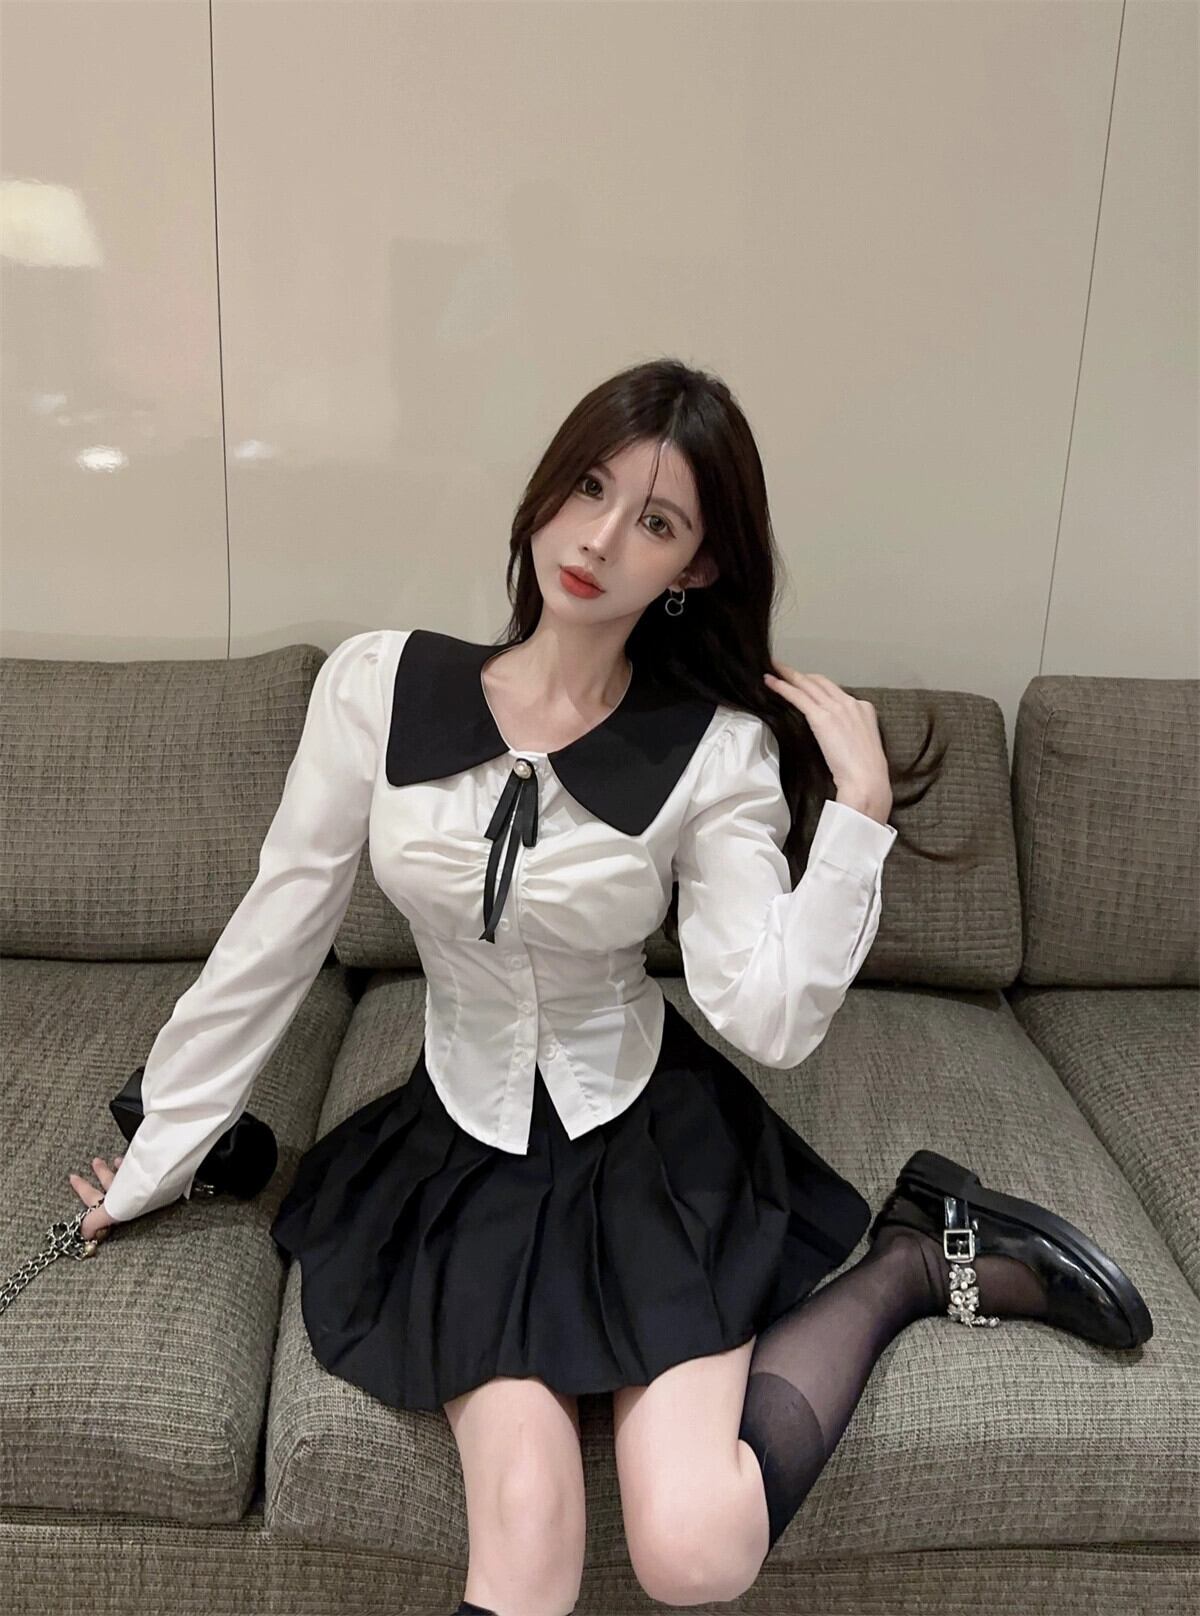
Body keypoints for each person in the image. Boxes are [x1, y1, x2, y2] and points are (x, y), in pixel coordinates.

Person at [70, 359, 1152, 1616]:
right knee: (525, 1539)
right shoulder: (377, 685)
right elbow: (276, 931)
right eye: (589, 486)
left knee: (696, 1552)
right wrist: (166, 1145)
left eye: (656, 519)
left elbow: (767, 1018)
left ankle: (909, 1256)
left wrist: (858, 818)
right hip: (460, 1152)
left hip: (648, 1146)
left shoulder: (715, 752)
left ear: (694, 566)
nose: (597, 539)